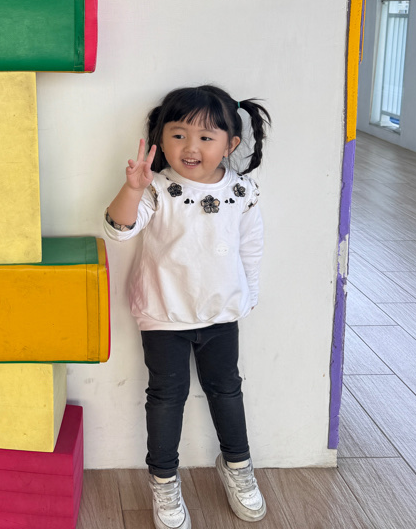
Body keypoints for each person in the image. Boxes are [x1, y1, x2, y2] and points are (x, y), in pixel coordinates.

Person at [103, 84, 271, 527]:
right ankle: (163, 480)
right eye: (178, 135)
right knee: (166, 398)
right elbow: (119, 230)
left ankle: (238, 466)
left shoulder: (243, 191)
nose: (191, 147)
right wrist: (132, 188)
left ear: (230, 144)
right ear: (162, 140)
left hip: (221, 314)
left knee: (227, 391)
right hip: (163, 315)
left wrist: (247, 297)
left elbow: (251, 249)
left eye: (205, 137)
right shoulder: (158, 188)